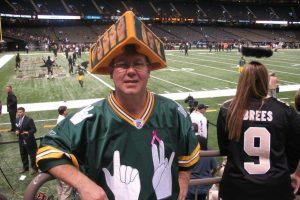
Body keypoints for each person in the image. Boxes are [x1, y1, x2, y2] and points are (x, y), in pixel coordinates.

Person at [36, 11, 200, 200]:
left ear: (149, 71)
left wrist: (184, 179)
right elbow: (47, 150)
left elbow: (188, 158)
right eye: (122, 65)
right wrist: (84, 185)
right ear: (111, 72)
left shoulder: (173, 112)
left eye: (138, 64)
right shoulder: (91, 119)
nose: (131, 71)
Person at [217, 60, 300, 200]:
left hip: (237, 187)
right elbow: (294, 150)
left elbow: (224, 148)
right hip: (276, 187)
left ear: (242, 80)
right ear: (265, 81)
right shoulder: (285, 110)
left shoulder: (228, 109)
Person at [56, 106, 73, 200]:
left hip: (59, 165)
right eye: (67, 110)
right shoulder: (62, 121)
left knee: (60, 186)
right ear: (63, 111)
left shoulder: (61, 119)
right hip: (64, 165)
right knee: (66, 188)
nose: (68, 111)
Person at [16, 107, 38, 175]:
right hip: (21, 140)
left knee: (32, 155)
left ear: (24, 112)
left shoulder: (29, 120)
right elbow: (17, 127)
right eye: (18, 112)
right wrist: (17, 131)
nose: (19, 113)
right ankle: (25, 168)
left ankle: (34, 168)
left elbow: (34, 129)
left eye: (20, 112)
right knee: (23, 154)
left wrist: (27, 132)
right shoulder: (17, 120)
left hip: (29, 140)